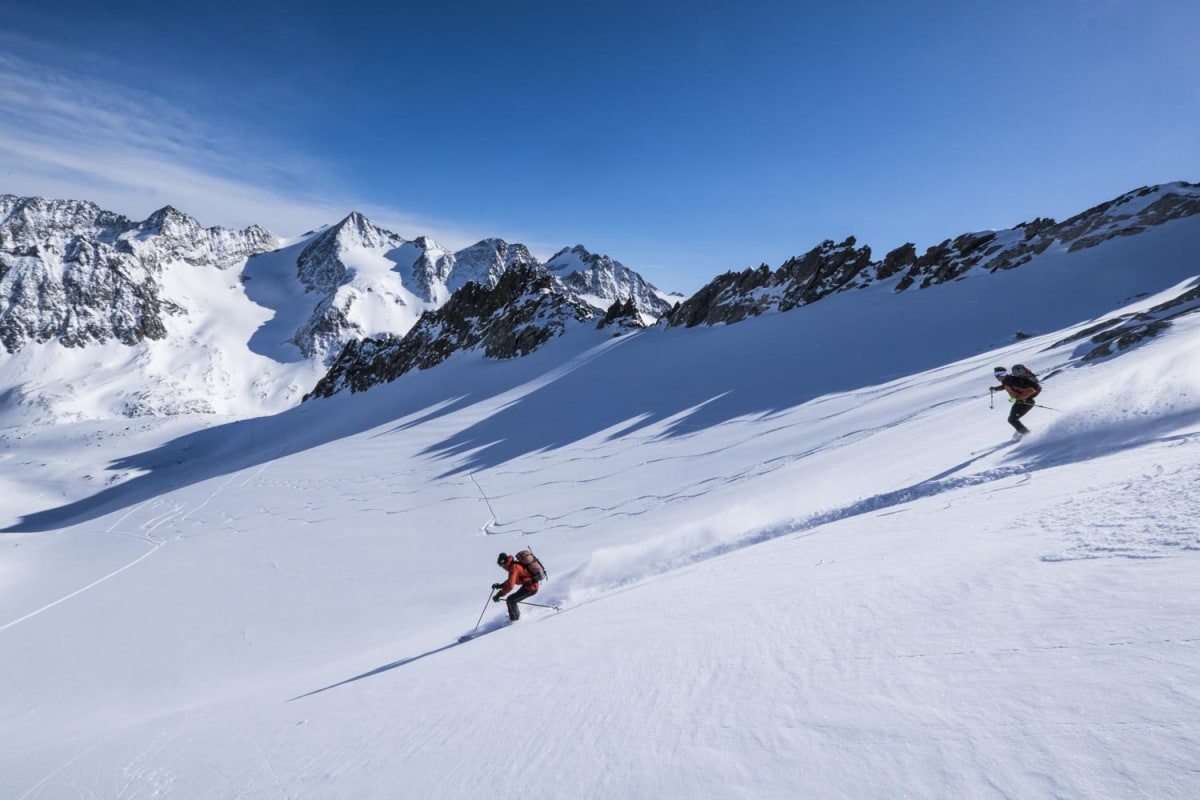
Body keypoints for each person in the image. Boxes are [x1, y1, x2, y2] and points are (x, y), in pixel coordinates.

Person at [990, 365, 1038, 435]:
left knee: (1012, 420)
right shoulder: (1006, 381)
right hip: (1020, 402)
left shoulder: (1014, 381)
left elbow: (1030, 391)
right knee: (1012, 420)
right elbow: (1005, 386)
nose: (997, 376)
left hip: (1026, 402)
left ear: (1004, 374)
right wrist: (995, 388)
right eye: (995, 374)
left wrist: (1016, 398)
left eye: (999, 374)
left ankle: (1028, 435)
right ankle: (1025, 433)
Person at [492, 552, 540, 621]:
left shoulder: (513, 568)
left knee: (510, 600)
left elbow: (510, 585)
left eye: (501, 566)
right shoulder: (513, 566)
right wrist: (500, 586)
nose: (502, 568)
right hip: (528, 586)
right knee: (511, 600)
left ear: (503, 563)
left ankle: (515, 621)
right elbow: (511, 580)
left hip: (531, 587)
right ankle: (515, 617)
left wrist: (499, 594)